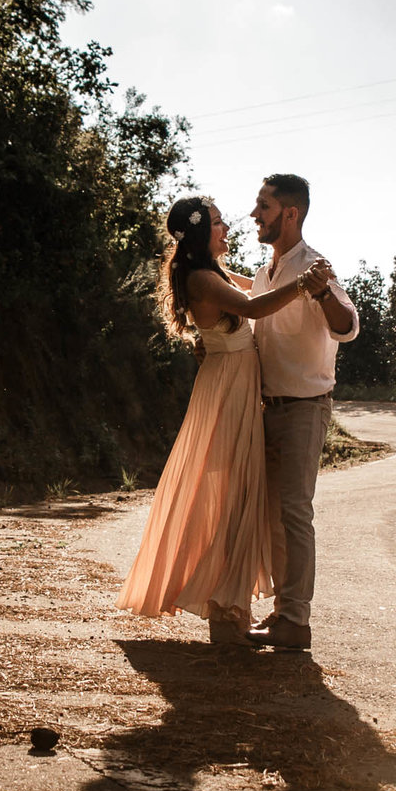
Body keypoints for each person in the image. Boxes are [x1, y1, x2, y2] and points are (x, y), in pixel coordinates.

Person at [116, 195, 335, 648]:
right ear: (200, 232)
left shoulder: (212, 273)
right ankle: (224, 610)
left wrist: (305, 280)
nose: (227, 228)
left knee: (238, 499)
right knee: (230, 500)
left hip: (236, 387)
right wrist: (302, 286)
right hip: (228, 391)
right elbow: (254, 310)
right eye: (218, 223)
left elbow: (253, 294)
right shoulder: (200, 276)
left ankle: (230, 609)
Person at [246, 174, 357, 652]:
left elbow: (349, 327)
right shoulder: (265, 272)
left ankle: (296, 621)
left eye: (264, 207)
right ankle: (282, 614)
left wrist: (322, 293)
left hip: (304, 408)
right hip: (265, 408)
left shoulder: (316, 269)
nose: (255, 215)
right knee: (273, 515)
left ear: (290, 214)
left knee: (294, 513)